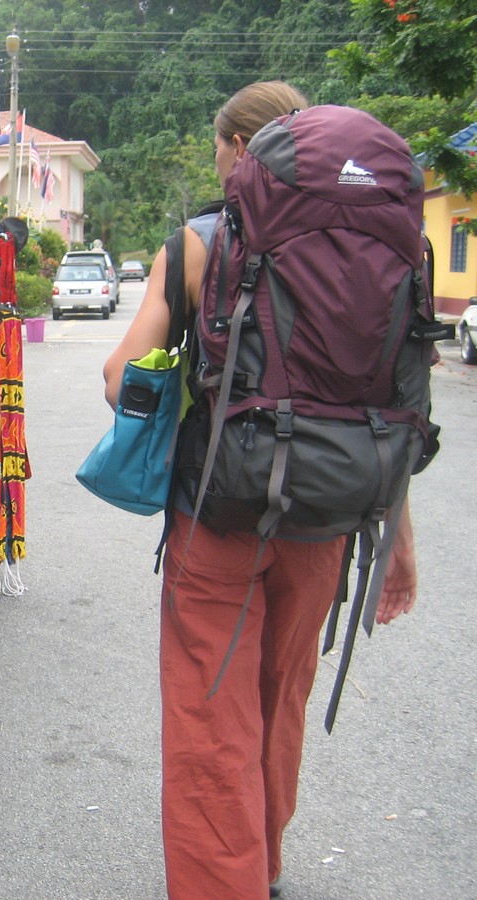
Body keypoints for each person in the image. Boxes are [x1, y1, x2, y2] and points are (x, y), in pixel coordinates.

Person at [102, 81, 419, 899]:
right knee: (281, 703)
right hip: (332, 522)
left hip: (221, 515)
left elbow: (118, 382)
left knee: (214, 717)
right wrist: (398, 543)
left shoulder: (200, 244)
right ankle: (265, 867)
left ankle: (225, 884)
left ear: (241, 151)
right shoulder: (381, 244)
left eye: (219, 147)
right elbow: (392, 399)